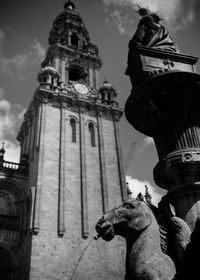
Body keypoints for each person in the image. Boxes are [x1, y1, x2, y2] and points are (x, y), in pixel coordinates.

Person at [125, 7, 179, 75]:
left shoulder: (144, 26)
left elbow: (136, 41)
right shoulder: (164, 31)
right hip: (174, 59)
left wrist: (130, 60)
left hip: (151, 61)